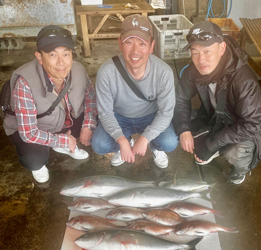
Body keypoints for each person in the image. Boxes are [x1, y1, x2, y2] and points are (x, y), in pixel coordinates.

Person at [173, 21, 261, 185]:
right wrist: (184, 130)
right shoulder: (193, 70)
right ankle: (211, 142)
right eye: (194, 52)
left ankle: (240, 170)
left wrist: (210, 144)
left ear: (222, 48)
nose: (200, 59)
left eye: (207, 51)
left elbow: (253, 124)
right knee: (175, 124)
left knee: (234, 152)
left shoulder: (244, 79)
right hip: (214, 119)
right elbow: (180, 98)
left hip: (243, 128)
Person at [4, 25, 97, 183]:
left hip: (65, 120)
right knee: (34, 159)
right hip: (37, 127)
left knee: (100, 127)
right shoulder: (25, 83)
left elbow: (90, 98)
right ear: (39, 57)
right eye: (53, 55)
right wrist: (63, 140)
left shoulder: (79, 69)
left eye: (66, 54)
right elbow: (28, 133)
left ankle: (63, 142)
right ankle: (57, 147)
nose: (61, 62)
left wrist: (88, 125)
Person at [91, 14, 178, 169]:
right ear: (120, 43)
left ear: (152, 46)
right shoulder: (106, 72)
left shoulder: (164, 72)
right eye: (129, 42)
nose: (135, 51)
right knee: (99, 144)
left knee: (169, 142)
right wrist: (121, 140)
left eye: (142, 44)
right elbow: (105, 113)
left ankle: (155, 148)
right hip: (119, 117)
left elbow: (166, 113)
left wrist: (145, 138)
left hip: (150, 116)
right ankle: (125, 144)